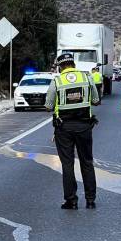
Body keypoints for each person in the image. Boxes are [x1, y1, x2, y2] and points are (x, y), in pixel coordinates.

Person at [44, 52, 101, 209]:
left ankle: (71, 200)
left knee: (67, 164)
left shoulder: (57, 81)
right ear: (73, 65)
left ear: (60, 67)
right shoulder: (87, 77)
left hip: (64, 128)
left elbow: (48, 106)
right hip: (84, 127)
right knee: (87, 162)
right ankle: (90, 200)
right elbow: (96, 101)